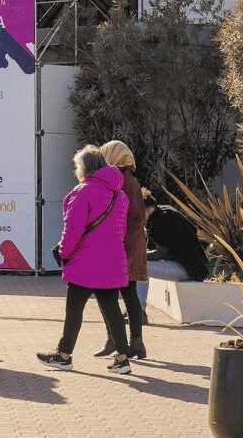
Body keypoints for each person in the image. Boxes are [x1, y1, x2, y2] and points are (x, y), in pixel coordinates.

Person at [38, 145, 133, 375]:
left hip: (85, 262)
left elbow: (72, 231)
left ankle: (63, 356)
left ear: (85, 167)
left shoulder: (82, 193)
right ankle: (123, 359)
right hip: (112, 261)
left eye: (77, 167)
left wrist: (63, 254)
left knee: (74, 311)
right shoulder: (120, 195)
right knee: (112, 310)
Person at [94, 141, 148, 360]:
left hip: (119, 244)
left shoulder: (117, 181)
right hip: (133, 244)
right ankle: (137, 342)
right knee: (129, 294)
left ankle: (114, 340)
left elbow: (119, 215)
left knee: (106, 293)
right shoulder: (131, 180)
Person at [137, 190, 209, 307]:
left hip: (187, 269)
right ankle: (138, 309)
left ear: (148, 210)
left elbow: (161, 254)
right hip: (193, 267)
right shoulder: (164, 211)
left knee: (139, 266)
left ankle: (139, 311)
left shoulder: (161, 220)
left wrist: (137, 255)